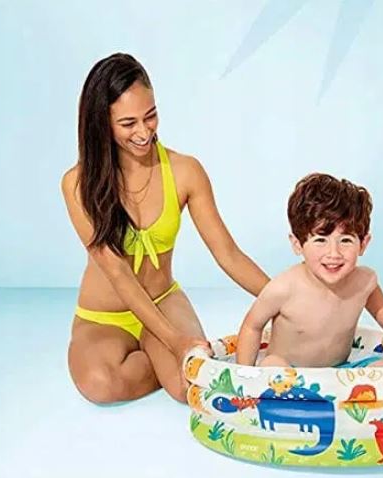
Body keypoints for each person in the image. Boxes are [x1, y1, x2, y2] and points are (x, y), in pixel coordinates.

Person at [61, 53, 269, 404]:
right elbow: (118, 273)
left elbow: (228, 254)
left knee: (189, 388)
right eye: (128, 123)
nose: (144, 132)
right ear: (102, 124)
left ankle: (166, 358)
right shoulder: (77, 184)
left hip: (163, 301)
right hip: (104, 318)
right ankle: (160, 356)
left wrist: (287, 300)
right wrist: (175, 343)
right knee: (100, 385)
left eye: (150, 116)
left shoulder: (185, 171)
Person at [236, 173, 383, 368]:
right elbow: (252, 326)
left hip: (340, 372)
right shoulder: (284, 288)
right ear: (297, 244)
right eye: (320, 240)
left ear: (363, 244)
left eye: (346, 240)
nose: (334, 253)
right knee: (272, 364)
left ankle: (351, 385)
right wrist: (245, 372)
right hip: (289, 374)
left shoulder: (364, 279)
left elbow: (371, 290)